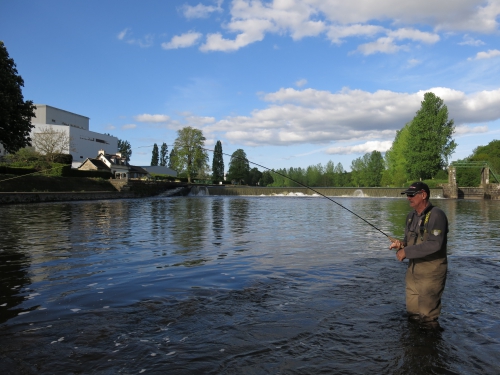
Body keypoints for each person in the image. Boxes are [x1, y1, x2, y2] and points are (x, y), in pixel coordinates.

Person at [389, 181, 448, 329]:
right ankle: (414, 347)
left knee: (428, 318)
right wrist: (401, 245)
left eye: (411, 195)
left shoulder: (437, 215)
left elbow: (435, 244)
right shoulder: (411, 216)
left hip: (431, 273)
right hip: (413, 271)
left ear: (423, 195)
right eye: (407, 195)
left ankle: (430, 348)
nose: (408, 198)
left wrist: (406, 252)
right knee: (412, 314)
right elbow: (411, 242)